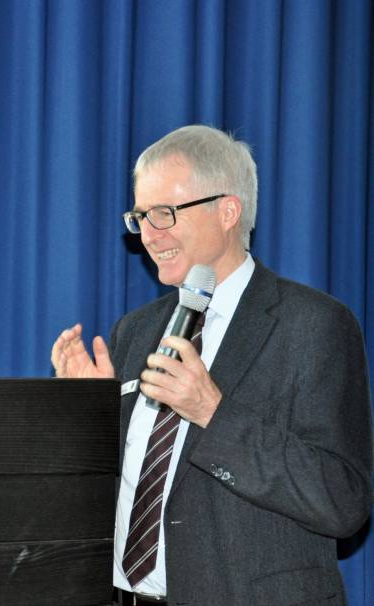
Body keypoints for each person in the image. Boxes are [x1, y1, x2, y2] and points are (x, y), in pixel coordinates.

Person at [51, 125, 371, 605]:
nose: (149, 236)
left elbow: (342, 501)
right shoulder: (134, 331)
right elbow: (127, 486)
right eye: (141, 216)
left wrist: (212, 414)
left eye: (165, 214)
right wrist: (91, 418)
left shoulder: (313, 326)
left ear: (228, 211)